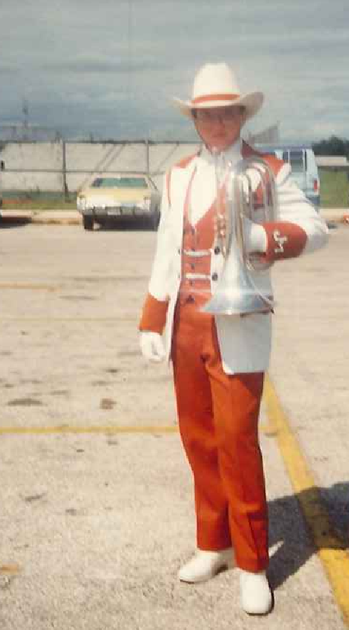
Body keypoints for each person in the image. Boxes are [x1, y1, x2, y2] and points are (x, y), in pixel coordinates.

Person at [138, 62, 329, 615]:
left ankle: (252, 564)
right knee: (198, 440)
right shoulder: (178, 175)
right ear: (194, 121)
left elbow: (315, 228)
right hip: (187, 323)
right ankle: (213, 543)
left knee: (238, 444)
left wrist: (259, 235)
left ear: (242, 116)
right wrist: (152, 318)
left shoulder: (269, 170)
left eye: (227, 113)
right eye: (207, 116)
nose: (217, 124)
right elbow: (166, 248)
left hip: (240, 323)